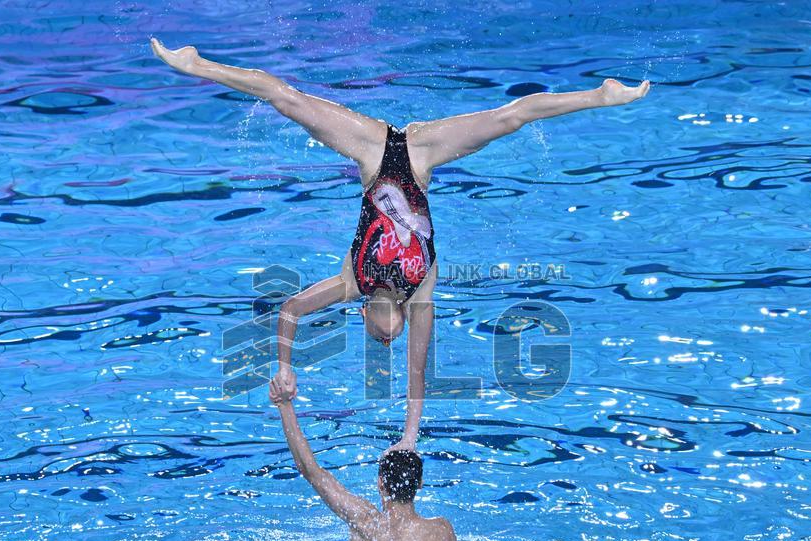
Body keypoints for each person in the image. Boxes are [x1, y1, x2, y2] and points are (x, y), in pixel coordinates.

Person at [150, 37, 650, 451]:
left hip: (372, 152)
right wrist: (409, 438)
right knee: (508, 118)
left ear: (364, 316)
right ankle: (600, 95)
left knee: (291, 100)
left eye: (374, 338)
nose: (384, 339)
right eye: (389, 339)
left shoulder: (351, 281)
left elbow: (290, 311)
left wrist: (283, 367)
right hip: (423, 156)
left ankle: (196, 64)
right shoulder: (422, 290)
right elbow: (416, 376)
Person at [269, 374, 465, 541]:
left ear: (380, 483)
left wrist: (284, 405)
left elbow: (310, 470)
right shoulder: (441, 531)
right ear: (419, 484)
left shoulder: (365, 523)